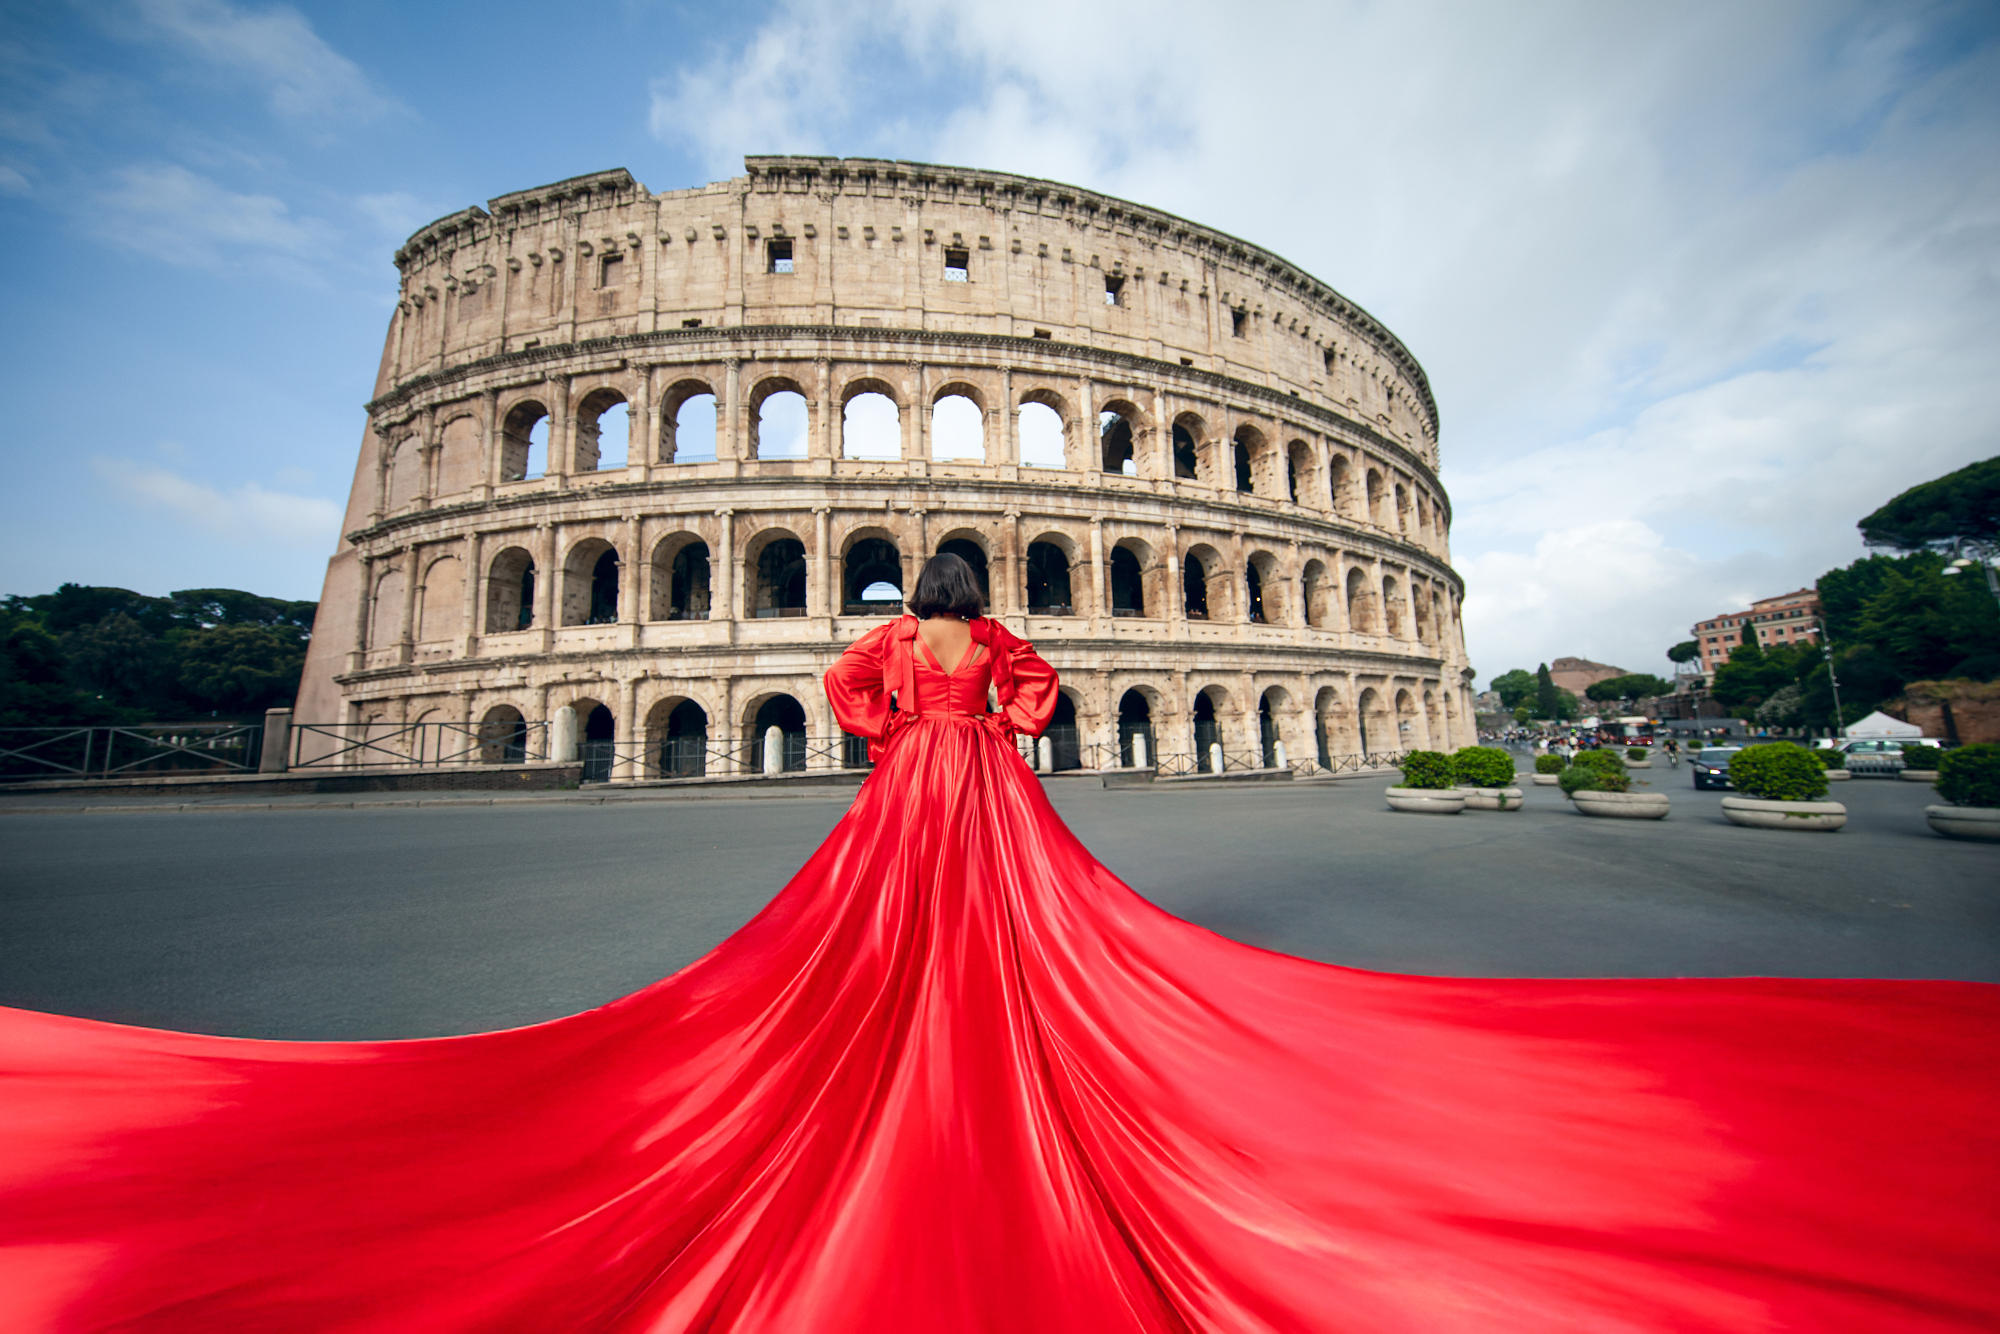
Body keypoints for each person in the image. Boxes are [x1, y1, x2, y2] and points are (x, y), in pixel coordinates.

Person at [2, 552, 1997, 1330]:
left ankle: (894, 1027)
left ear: (908, 595)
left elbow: (845, 690)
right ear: (980, 594)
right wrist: (997, 720)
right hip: (992, 798)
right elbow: (1042, 703)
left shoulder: (888, 641)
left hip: (903, 802)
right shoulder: (996, 648)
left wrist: (896, 722)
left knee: (863, 938)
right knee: (1031, 925)